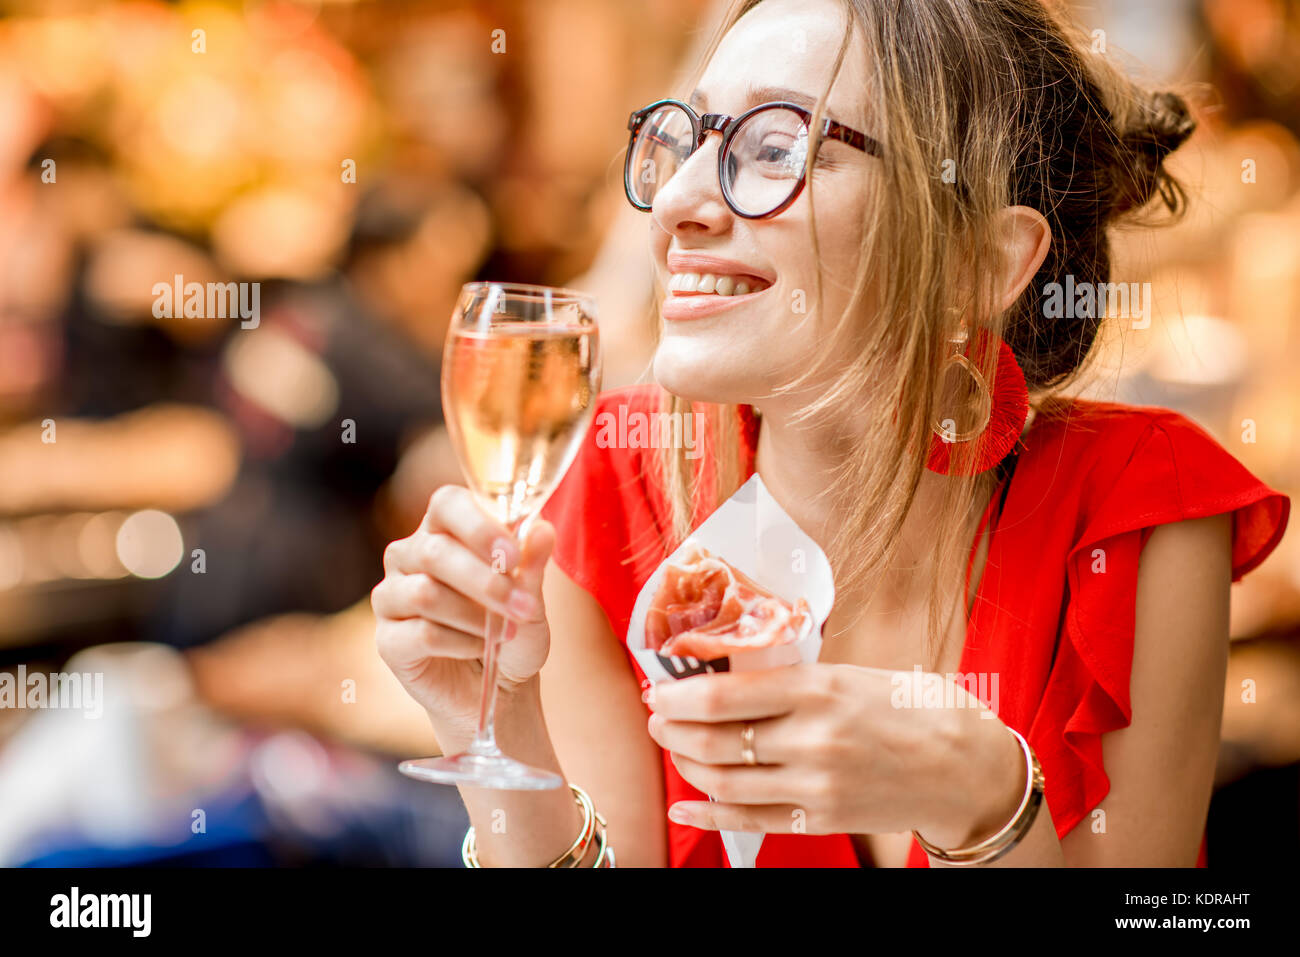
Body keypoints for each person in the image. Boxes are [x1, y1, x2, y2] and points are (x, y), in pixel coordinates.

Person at [371, 0, 1291, 867]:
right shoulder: (616, 473)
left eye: (777, 148)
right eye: (686, 139)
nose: (681, 200)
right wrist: (499, 723)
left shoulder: (1146, 502)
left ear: (980, 258)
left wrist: (984, 794)